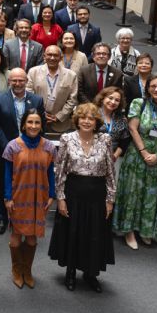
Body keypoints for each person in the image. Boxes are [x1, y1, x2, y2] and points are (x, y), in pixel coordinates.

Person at [49, 103, 116, 292]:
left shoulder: (105, 139)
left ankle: (90, 273)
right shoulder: (67, 138)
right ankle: (70, 272)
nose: (87, 121)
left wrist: (110, 199)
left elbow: (110, 171)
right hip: (73, 193)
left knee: (94, 234)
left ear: (96, 122)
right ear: (77, 120)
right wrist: (60, 198)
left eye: (91, 118)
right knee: (73, 232)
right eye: (83, 118)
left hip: (97, 195)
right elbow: (60, 170)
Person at [112, 73, 157, 249]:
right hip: (137, 155)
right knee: (133, 192)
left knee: (152, 194)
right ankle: (129, 231)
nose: (156, 89)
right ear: (147, 88)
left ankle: (146, 230)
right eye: (152, 86)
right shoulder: (138, 103)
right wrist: (144, 152)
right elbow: (133, 128)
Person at [1, 109, 56, 289]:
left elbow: (51, 173)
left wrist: (52, 194)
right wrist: (7, 197)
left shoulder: (49, 147)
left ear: (41, 125)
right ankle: (16, 270)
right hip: (18, 197)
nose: (33, 126)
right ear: (24, 125)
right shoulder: (13, 146)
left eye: (37, 122)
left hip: (39, 197)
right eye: (30, 122)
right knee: (16, 238)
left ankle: (27, 270)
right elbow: (7, 174)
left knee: (32, 239)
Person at [0, 68, 46, 234]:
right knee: (4, 183)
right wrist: (9, 147)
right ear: (9, 81)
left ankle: (24, 216)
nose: (17, 83)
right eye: (14, 80)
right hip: (6, 149)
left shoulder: (37, 100)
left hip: (30, 150)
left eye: (21, 80)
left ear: (26, 81)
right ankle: (2, 218)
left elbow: (41, 125)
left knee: (26, 183)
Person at [27, 45, 78, 139]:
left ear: (61, 58)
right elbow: (29, 95)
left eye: (55, 55)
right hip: (37, 122)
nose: (52, 58)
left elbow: (73, 99)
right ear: (44, 56)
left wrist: (59, 116)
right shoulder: (33, 72)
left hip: (61, 124)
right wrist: (41, 113)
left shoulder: (71, 75)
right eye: (49, 55)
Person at [95, 86, 130, 160]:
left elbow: (124, 141)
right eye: (110, 98)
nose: (113, 102)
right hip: (92, 156)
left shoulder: (122, 119)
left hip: (111, 157)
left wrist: (115, 156)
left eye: (117, 100)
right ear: (103, 98)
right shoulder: (92, 114)